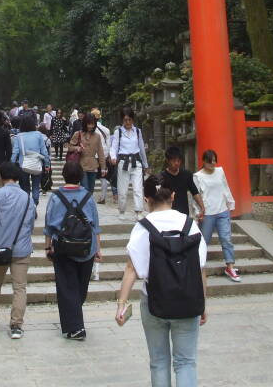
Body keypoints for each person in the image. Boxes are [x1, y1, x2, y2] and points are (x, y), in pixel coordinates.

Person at [115, 174, 208, 387]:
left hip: (154, 300)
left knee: (159, 361)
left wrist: (121, 304)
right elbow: (201, 269)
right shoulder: (190, 225)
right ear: (173, 196)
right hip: (187, 300)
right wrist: (202, 302)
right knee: (185, 362)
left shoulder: (143, 227)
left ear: (147, 199)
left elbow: (131, 268)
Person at [44, 161, 102, 340]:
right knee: (80, 287)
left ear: (63, 175)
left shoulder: (55, 197)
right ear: (81, 176)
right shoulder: (88, 196)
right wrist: (98, 248)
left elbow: (49, 226)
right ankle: (75, 323)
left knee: (67, 287)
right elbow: (96, 225)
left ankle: (75, 326)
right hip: (86, 248)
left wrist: (47, 246)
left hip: (63, 247)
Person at [0, 163, 36, 339]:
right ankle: (16, 325)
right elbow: (30, 224)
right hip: (22, 248)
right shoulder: (28, 198)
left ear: (1, 177)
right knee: (20, 287)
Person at [193, 149, 240, 283]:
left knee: (226, 238)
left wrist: (230, 202)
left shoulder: (220, 171)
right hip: (207, 212)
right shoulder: (198, 176)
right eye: (210, 161)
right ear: (204, 161)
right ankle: (197, 266)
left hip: (222, 210)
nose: (213, 163)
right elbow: (195, 196)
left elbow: (225, 187)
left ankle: (230, 266)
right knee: (203, 241)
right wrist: (197, 212)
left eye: (214, 160)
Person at [109, 107, 149, 220]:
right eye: (125, 120)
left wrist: (146, 165)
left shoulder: (137, 131)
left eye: (130, 119)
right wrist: (113, 157)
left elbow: (141, 148)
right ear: (122, 120)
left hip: (136, 162)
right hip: (123, 162)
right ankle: (122, 210)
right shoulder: (118, 132)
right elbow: (114, 147)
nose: (127, 122)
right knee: (122, 189)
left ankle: (138, 211)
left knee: (138, 188)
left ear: (133, 119)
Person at [11, 115, 51, 206]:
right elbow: (44, 151)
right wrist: (47, 164)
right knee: (36, 186)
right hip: (37, 164)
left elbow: (15, 152)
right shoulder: (38, 135)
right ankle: (34, 204)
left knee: (25, 187)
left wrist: (12, 164)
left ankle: (27, 206)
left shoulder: (19, 136)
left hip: (23, 165)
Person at [160, 146, 205, 219]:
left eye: (178, 160)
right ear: (168, 160)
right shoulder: (162, 177)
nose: (177, 163)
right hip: (168, 214)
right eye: (174, 161)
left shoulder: (186, 174)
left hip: (184, 214)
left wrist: (202, 207)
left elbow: (194, 192)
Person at [68, 113, 106, 194]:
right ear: (85, 123)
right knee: (85, 188)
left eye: (92, 124)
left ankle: (86, 205)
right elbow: (70, 147)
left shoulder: (97, 136)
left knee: (91, 190)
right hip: (81, 165)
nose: (90, 126)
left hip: (93, 166)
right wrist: (77, 148)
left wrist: (103, 167)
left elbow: (100, 152)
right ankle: (84, 205)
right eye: (89, 124)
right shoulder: (78, 134)